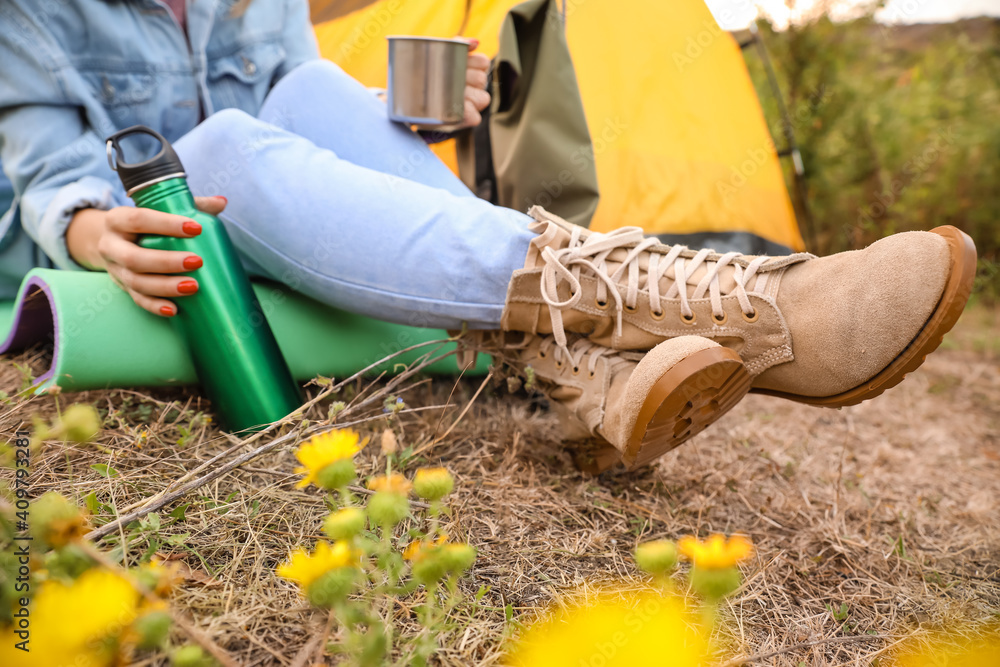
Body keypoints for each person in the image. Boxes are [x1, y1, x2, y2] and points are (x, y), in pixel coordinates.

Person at [0, 0, 976, 469]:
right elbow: (52, 176)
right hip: (150, 247)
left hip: (279, 222)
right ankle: (755, 304)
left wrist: (389, 113)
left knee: (313, 87)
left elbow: (284, 124)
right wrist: (89, 229)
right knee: (206, 150)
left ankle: (578, 371)